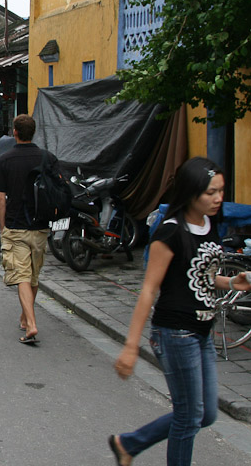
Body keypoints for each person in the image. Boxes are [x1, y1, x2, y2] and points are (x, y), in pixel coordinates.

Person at [109, 158, 250, 466]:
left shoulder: (210, 223)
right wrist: (131, 346)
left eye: (221, 191)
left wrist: (230, 281)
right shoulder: (169, 232)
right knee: (189, 416)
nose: (218, 199)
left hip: (201, 331)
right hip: (175, 333)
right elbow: (149, 290)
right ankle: (131, 445)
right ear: (190, 193)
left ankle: (129, 444)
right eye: (210, 192)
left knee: (206, 414)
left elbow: (199, 274)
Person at [0, 114, 58, 344]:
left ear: (15, 132)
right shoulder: (47, 158)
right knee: (33, 275)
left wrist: (2, 225)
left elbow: (0, 198)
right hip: (40, 225)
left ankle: (31, 324)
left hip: (16, 223)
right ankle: (24, 316)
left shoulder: (5, 160)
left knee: (22, 276)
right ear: (34, 132)